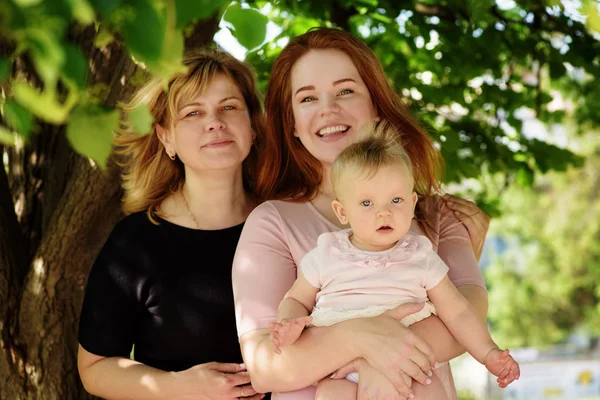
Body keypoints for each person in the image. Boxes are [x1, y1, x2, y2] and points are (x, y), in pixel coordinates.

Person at [232, 27, 491, 400]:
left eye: (346, 91)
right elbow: (265, 367)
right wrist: (362, 338)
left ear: (376, 104)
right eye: (307, 99)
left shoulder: (436, 213)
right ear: (291, 124)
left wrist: (378, 360)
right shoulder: (272, 221)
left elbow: (469, 316)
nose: (328, 109)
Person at [268, 122, 520, 399]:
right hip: (341, 367)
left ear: (412, 204)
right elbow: (296, 299)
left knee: (431, 391)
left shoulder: (420, 256)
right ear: (342, 212)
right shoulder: (327, 253)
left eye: (396, 200)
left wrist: (488, 353)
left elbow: (458, 311)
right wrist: (289, 323)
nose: (383, 213)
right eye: (367, 203)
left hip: (408, 361)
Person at [77, 48, 265, 400]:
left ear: (252, 127)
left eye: (229, 107)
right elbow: (95, 368)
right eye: (193, 112)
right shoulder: (136, 243)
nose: (215, 122)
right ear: (166, 138)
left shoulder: (287, 220)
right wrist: (178, 387)